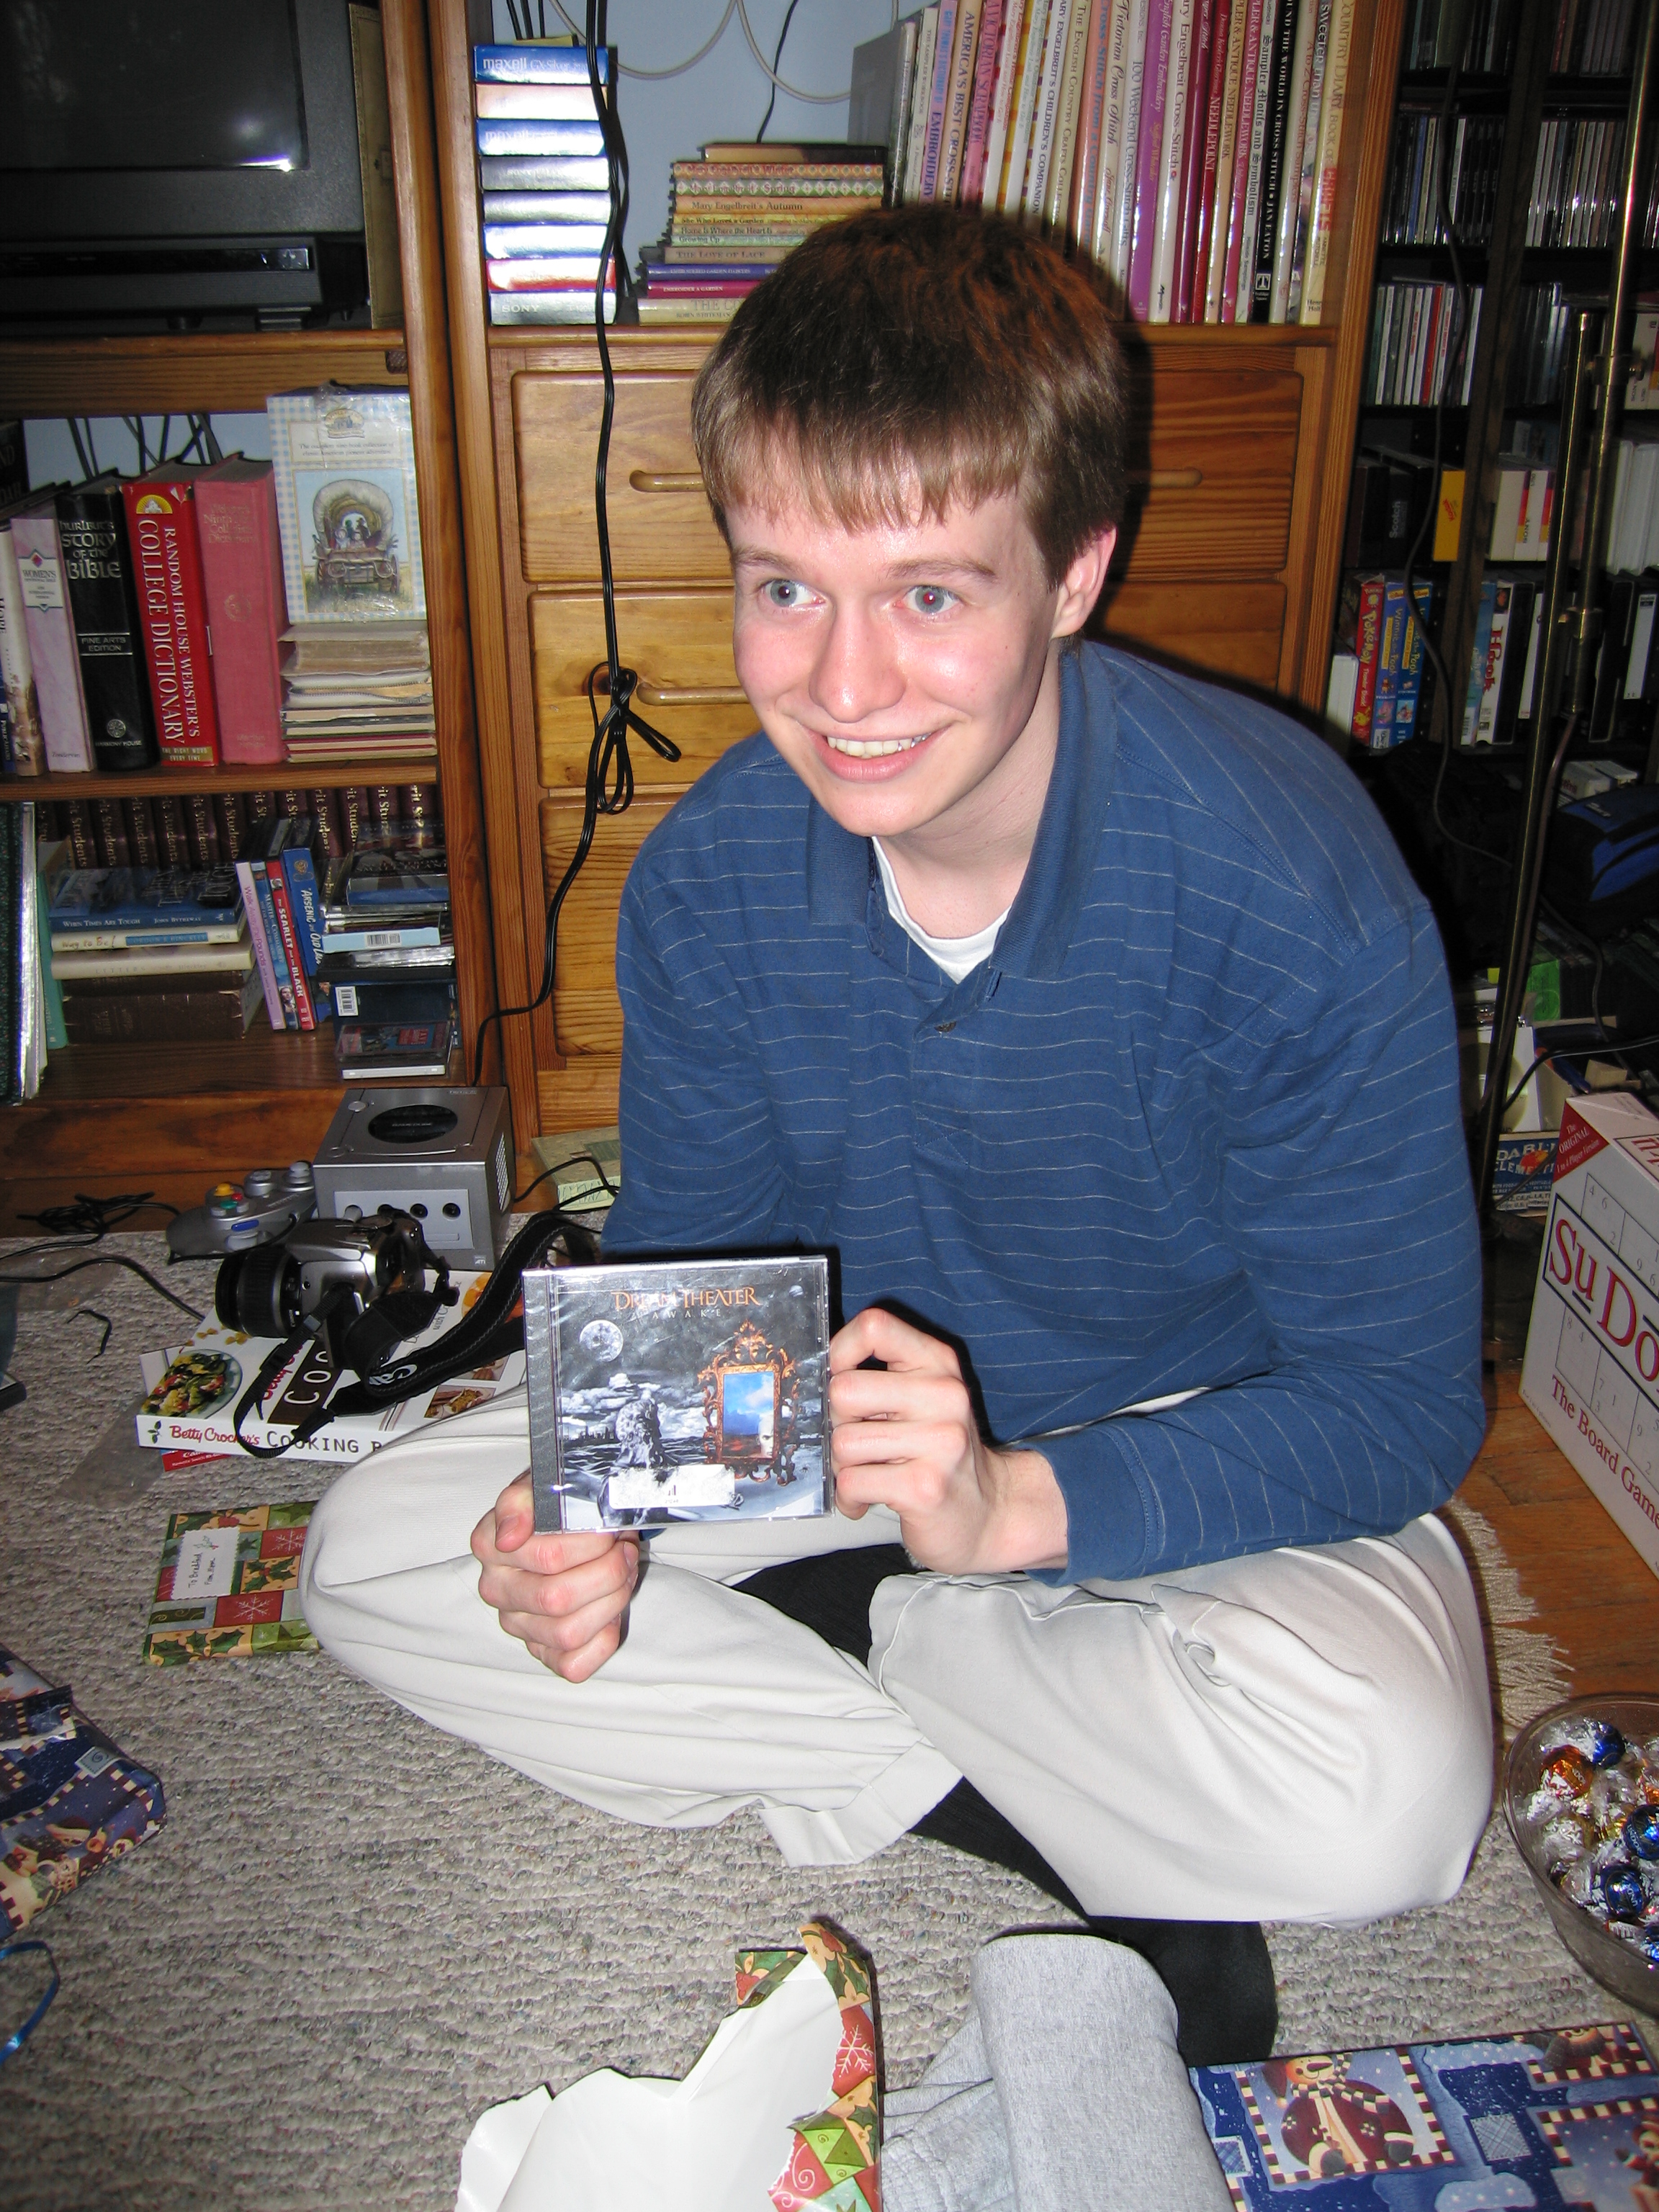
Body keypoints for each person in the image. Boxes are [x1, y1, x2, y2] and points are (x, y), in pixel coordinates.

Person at [301, 205, 1493, 2066]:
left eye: (930, 595)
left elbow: (1396, 1405)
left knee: (1395, 1806)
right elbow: (698, 1296)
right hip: (843, 1425)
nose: (843, 691)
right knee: (376, 1558)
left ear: (1075, 575)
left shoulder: (1293, 890)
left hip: (1187, 1431)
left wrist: (1016, 1509)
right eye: (786, 588)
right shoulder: (707, 883)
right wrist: (603, 1511)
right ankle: (1010, 1784)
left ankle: (888, 1634)